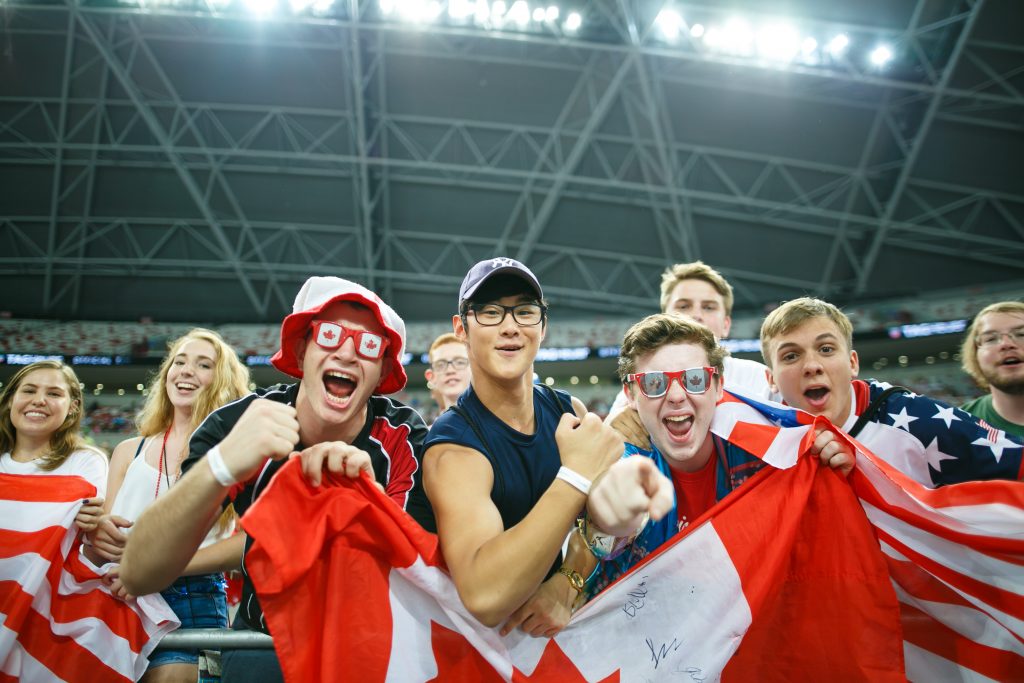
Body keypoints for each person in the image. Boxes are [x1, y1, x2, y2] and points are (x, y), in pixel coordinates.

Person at [120, 277, 433, 683]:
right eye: (330, 334)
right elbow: (139, 573)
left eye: (369, 345)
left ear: (383, 372)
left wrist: (367, 506)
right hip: (267, 642)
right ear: (301, 351)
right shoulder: (239, 424)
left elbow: (418, 580)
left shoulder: (403, 439)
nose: (346, 352)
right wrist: (221, 466)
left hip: (373, 643)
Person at [580, 314, 852, 597]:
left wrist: (830, 482)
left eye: (694, 379)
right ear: (630, 394)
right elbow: (604, 536)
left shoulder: (768, 457)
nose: (676, 395)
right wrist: (609, 514)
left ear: (718, 386)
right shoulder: (622, 461)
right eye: (654, 383)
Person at [423, 257, 623, 638]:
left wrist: (569, 581)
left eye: (525, 311)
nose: (510, 326)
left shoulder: (569, 411)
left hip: (566, 644)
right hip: (480, 652)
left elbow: (614, 524)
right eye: (490, 312)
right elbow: (485, 595)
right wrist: (576, 476)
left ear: (543, 327)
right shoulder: (452, 448)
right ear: (461, 329)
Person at [87, 329, 251, 683]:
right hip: (118, 596)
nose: (186, 370)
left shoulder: (238, 454)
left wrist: (154, 569)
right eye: (179, 362)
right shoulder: (128, 451)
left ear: (222, 381)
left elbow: (249, 544)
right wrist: (95, 536)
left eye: (203, 364)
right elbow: (101, 546)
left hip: (192, 599)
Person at [759, 297, 1024, 486]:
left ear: (852, 363)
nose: (812, 366)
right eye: (791, 356)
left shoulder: (918, 421)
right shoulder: (758, 444)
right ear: (771, 379)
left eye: (826, 349)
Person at [607, 261, 778, 446]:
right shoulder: (643, 387)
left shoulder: (758, 379)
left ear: (726, 325)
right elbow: (607, 438)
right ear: (663, 319)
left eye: (709, 307)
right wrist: (612, 426)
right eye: (683, 306)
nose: (696, 315)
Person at [0, 360, 106, 529]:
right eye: (29, 391)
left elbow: (93, 535)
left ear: (73, 407)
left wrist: (97, 525)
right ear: (11, 400)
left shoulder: (85, 461)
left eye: (54, 394)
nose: (39, 400)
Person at [960, 301, 1024, 437]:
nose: (1006, 344)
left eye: (1021, 334)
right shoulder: (958, 426)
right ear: (975, 356)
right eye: (990, 339)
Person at [424, 332, 471, 415]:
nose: (450, 370)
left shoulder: (494, 421)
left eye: (460, 362)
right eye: (441, 365)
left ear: (475, 369)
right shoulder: (431, 425)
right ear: (431, 377)